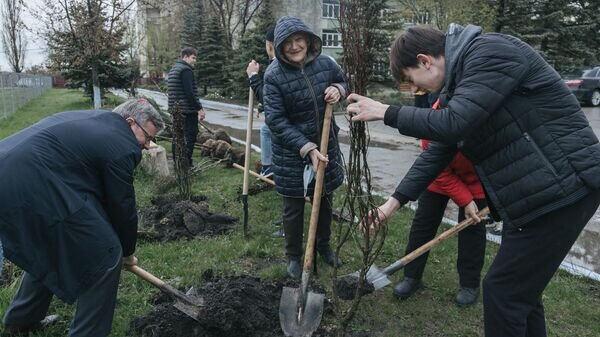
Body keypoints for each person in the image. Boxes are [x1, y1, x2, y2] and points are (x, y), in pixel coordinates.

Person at [347, 24, 600, 337]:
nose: (416, 92)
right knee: (522, 295)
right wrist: (391, 204)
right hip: (537, 192)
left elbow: (454, 123)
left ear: (425, 61)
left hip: (564, 186)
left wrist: (387, 112)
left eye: (412, 82)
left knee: (503, 293)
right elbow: (439, 151)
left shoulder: (490, 52)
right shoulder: (462, 81)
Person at [0, 99, 164, 337]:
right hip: (31, 185)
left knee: (51, 247)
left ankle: (21, 322)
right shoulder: (122, 143)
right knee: (106, 256)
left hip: (12, 174)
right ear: (130, 122)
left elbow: (99, 194)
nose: (149, 145)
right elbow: (122, 206)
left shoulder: (97, 121)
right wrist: (126, 253)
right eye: (147, 137)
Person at [263, 16, 348, 279]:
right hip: (292, 151)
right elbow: (275, 120)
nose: (294, 46)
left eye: (298, 39)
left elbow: (344, 82)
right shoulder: (273, 75)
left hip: (326, 145)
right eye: (287, 42)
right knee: (294, 206)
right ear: (279, 46)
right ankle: (294, 256)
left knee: (323, 200)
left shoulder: (325, 64)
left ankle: (323, 246)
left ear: (308, 40)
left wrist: (338, 89)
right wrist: (306, 147)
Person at [393, 98, 487, 306]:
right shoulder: (434, 119)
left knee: (473, 230)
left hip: (476, 178)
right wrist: (464, 199)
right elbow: (439, 171)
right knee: (423, 224)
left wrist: (471, 199)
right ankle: (412, 276)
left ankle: (470, 284)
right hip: (439, 175)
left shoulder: (485, 113)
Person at [246, 26, 286, 238]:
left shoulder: (277, 65)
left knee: (289, 178)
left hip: (286, 132)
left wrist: (253, 77)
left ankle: (268, 167)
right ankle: (269, 167)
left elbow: (267, 96)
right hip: (288, 128)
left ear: (271, 45)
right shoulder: (283, 64)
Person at [167, 47, 205, 166]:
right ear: (185, 57)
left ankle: (177, 161)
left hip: (176, 110)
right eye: (193, 58)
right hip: (187, 110)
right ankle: (185, 163)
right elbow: (190, 93)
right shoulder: (186, 70)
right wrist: (199, 108)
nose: (195, 61)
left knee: (177, 135)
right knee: (190, 135)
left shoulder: (174, 69)